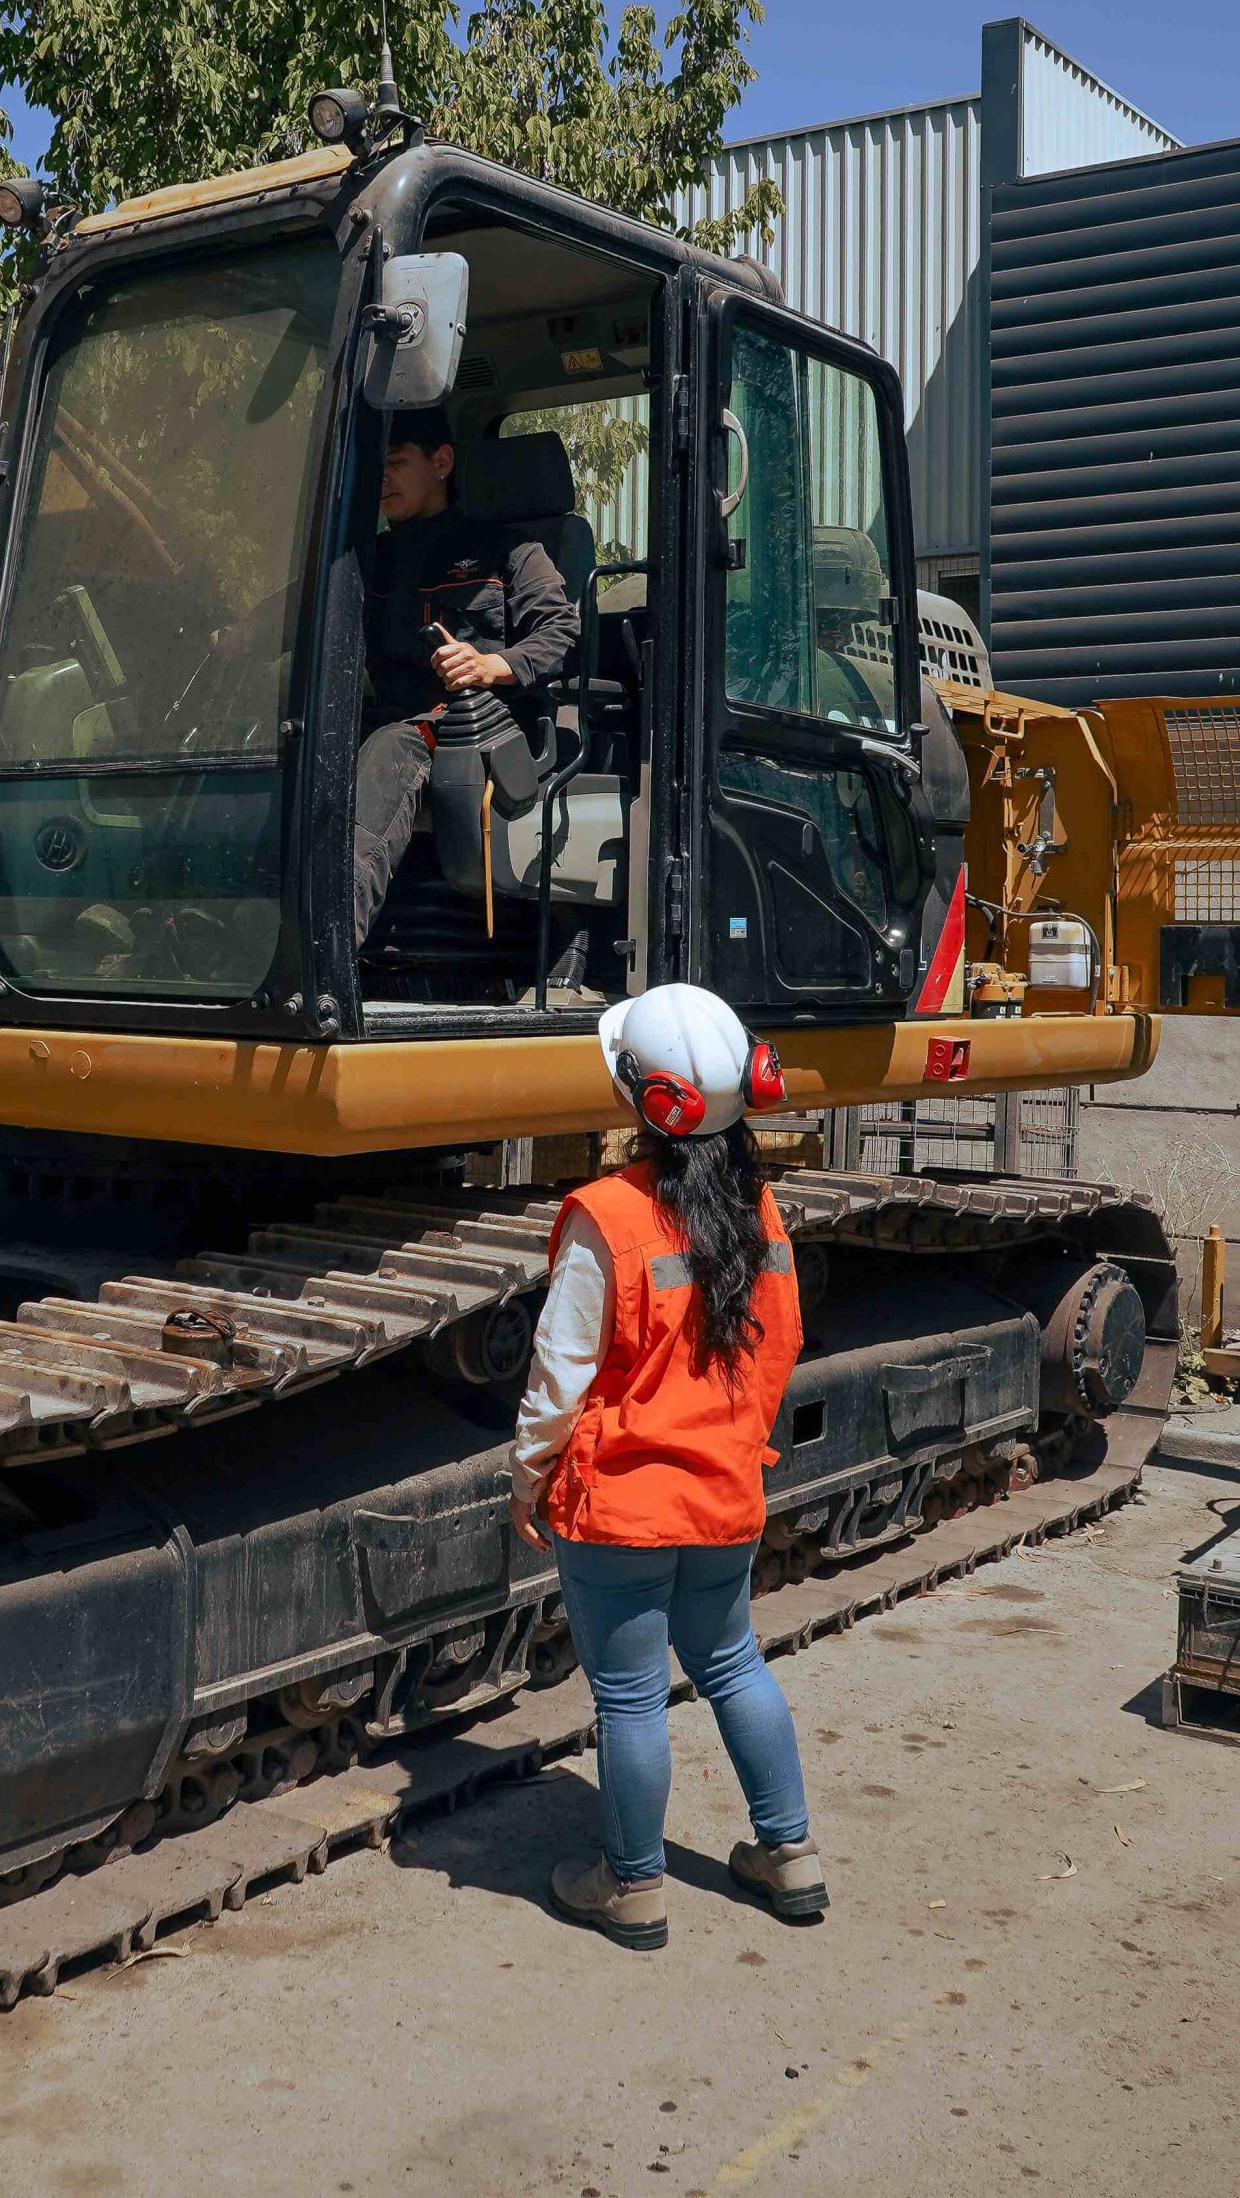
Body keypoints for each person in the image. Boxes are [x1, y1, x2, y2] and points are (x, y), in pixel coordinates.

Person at [508, 982, 825, 1951]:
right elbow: (781, 1344)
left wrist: (529, 1479)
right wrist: (733, 1443)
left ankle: (632, 1884)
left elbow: (558, 1376)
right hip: (724, 1496)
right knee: (732, 1660)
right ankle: (791, 1854)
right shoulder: (758, 1208)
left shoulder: (608, 1218)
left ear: (641, 1101)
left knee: (631, 1695)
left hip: (622, 1511)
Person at [354, 406, 581, 947]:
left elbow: (563, 632)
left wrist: (492, 665)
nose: (381, 478)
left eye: (395, 462)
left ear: (442, 462)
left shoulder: (511, 553)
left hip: (472, 732)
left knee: (391, 748)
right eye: (374, 466)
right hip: (387, 722)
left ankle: (329, 944)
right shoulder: (366, 561)